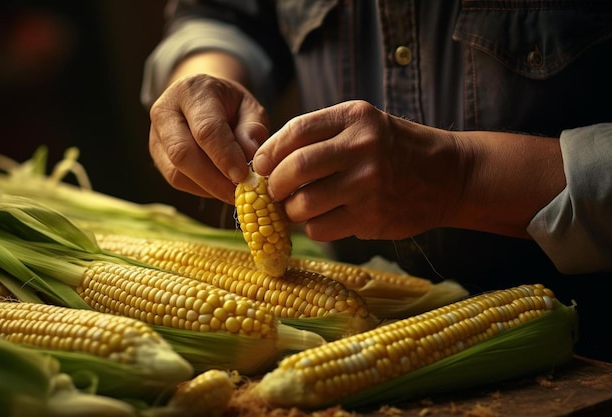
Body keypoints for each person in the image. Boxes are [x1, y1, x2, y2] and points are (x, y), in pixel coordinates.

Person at [141, 1, 612, 362]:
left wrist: (465, 174)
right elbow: (226, 13)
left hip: (588, 330)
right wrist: (204, 74)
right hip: (360, 317)